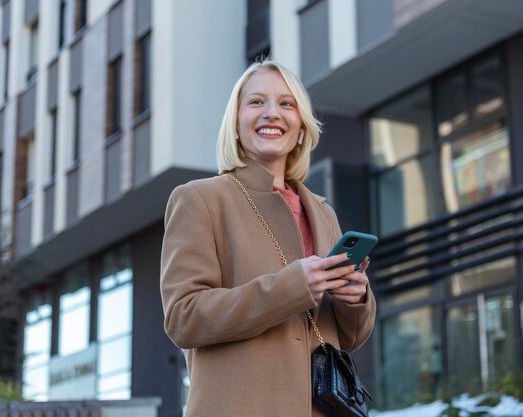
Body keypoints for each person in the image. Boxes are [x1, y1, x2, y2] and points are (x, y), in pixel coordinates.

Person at [160, 59, 376, 417]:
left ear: (302, 126)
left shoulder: (322, 211)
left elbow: (348, 338)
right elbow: (184, 317)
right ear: (236, 122)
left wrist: (354, 299)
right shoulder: (199, 199)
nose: (272, 113)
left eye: (286, 104)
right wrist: (292, 286)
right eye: (256, 102)